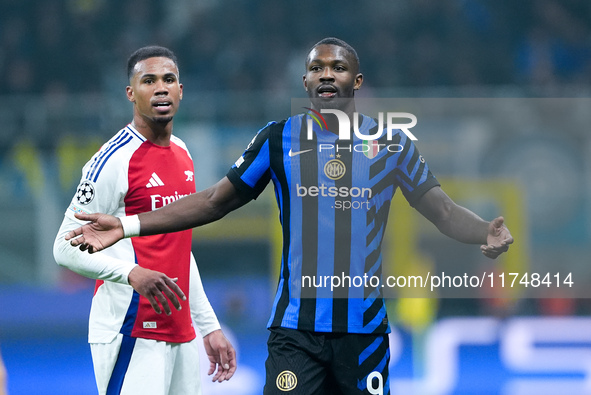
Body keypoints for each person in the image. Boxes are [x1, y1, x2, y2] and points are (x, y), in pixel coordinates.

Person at [66, 38, 513, 395]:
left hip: (364, 331)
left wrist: (483, 232)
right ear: (305, 82)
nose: (326, 74)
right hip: (295, 331)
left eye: (337, 68)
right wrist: (127, 225)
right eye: (317, 68)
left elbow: (444, 211)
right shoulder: (278, 139)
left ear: (357, 81)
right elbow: (214, 201)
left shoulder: (391, 144)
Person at [53, 45, 236, 395]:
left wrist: (208, 324)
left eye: (169, 79)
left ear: (181, 90)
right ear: (130, 93)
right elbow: (63, 247)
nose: (161, 88)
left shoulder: (182, 153)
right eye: (148, 81)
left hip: (180, 331)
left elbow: (180, 249)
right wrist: (131, 274)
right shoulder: (112, 160)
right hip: (130, 327)